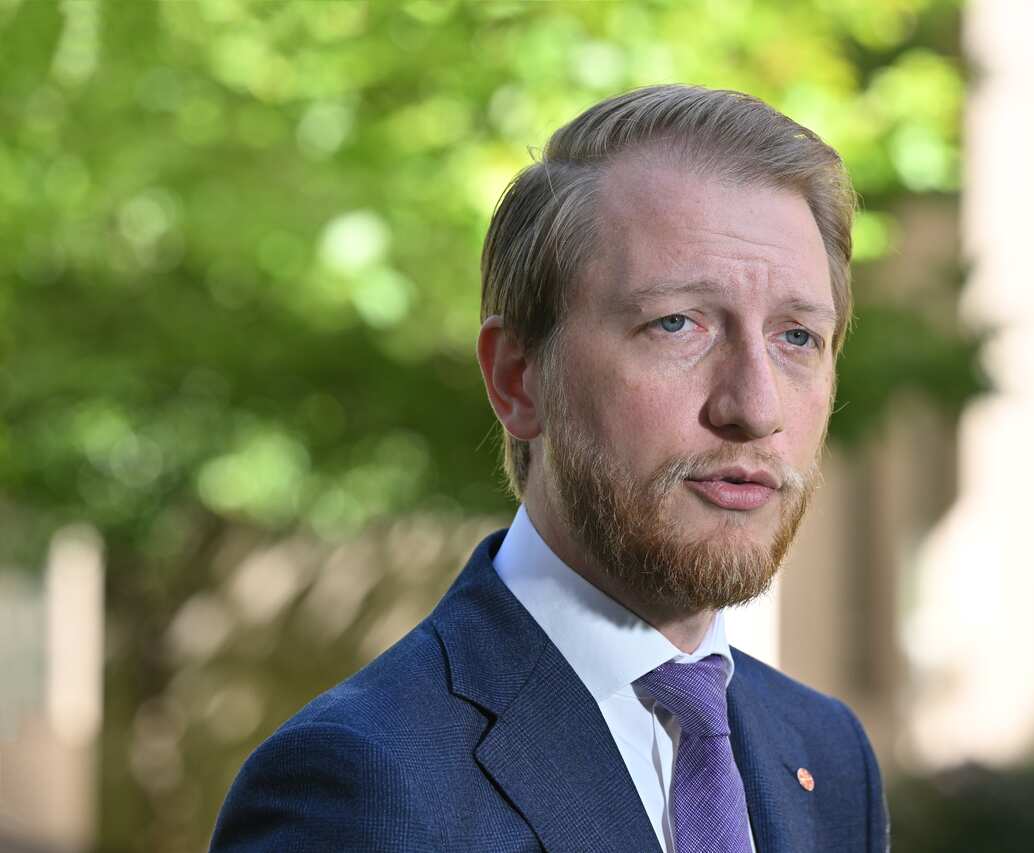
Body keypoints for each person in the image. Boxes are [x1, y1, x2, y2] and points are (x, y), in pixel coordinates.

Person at [211, 84, 889, 853]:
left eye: (797, 337)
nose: (754, 407)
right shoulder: (359, 785)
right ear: (518, 378)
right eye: (677, 323)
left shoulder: (829, 758)